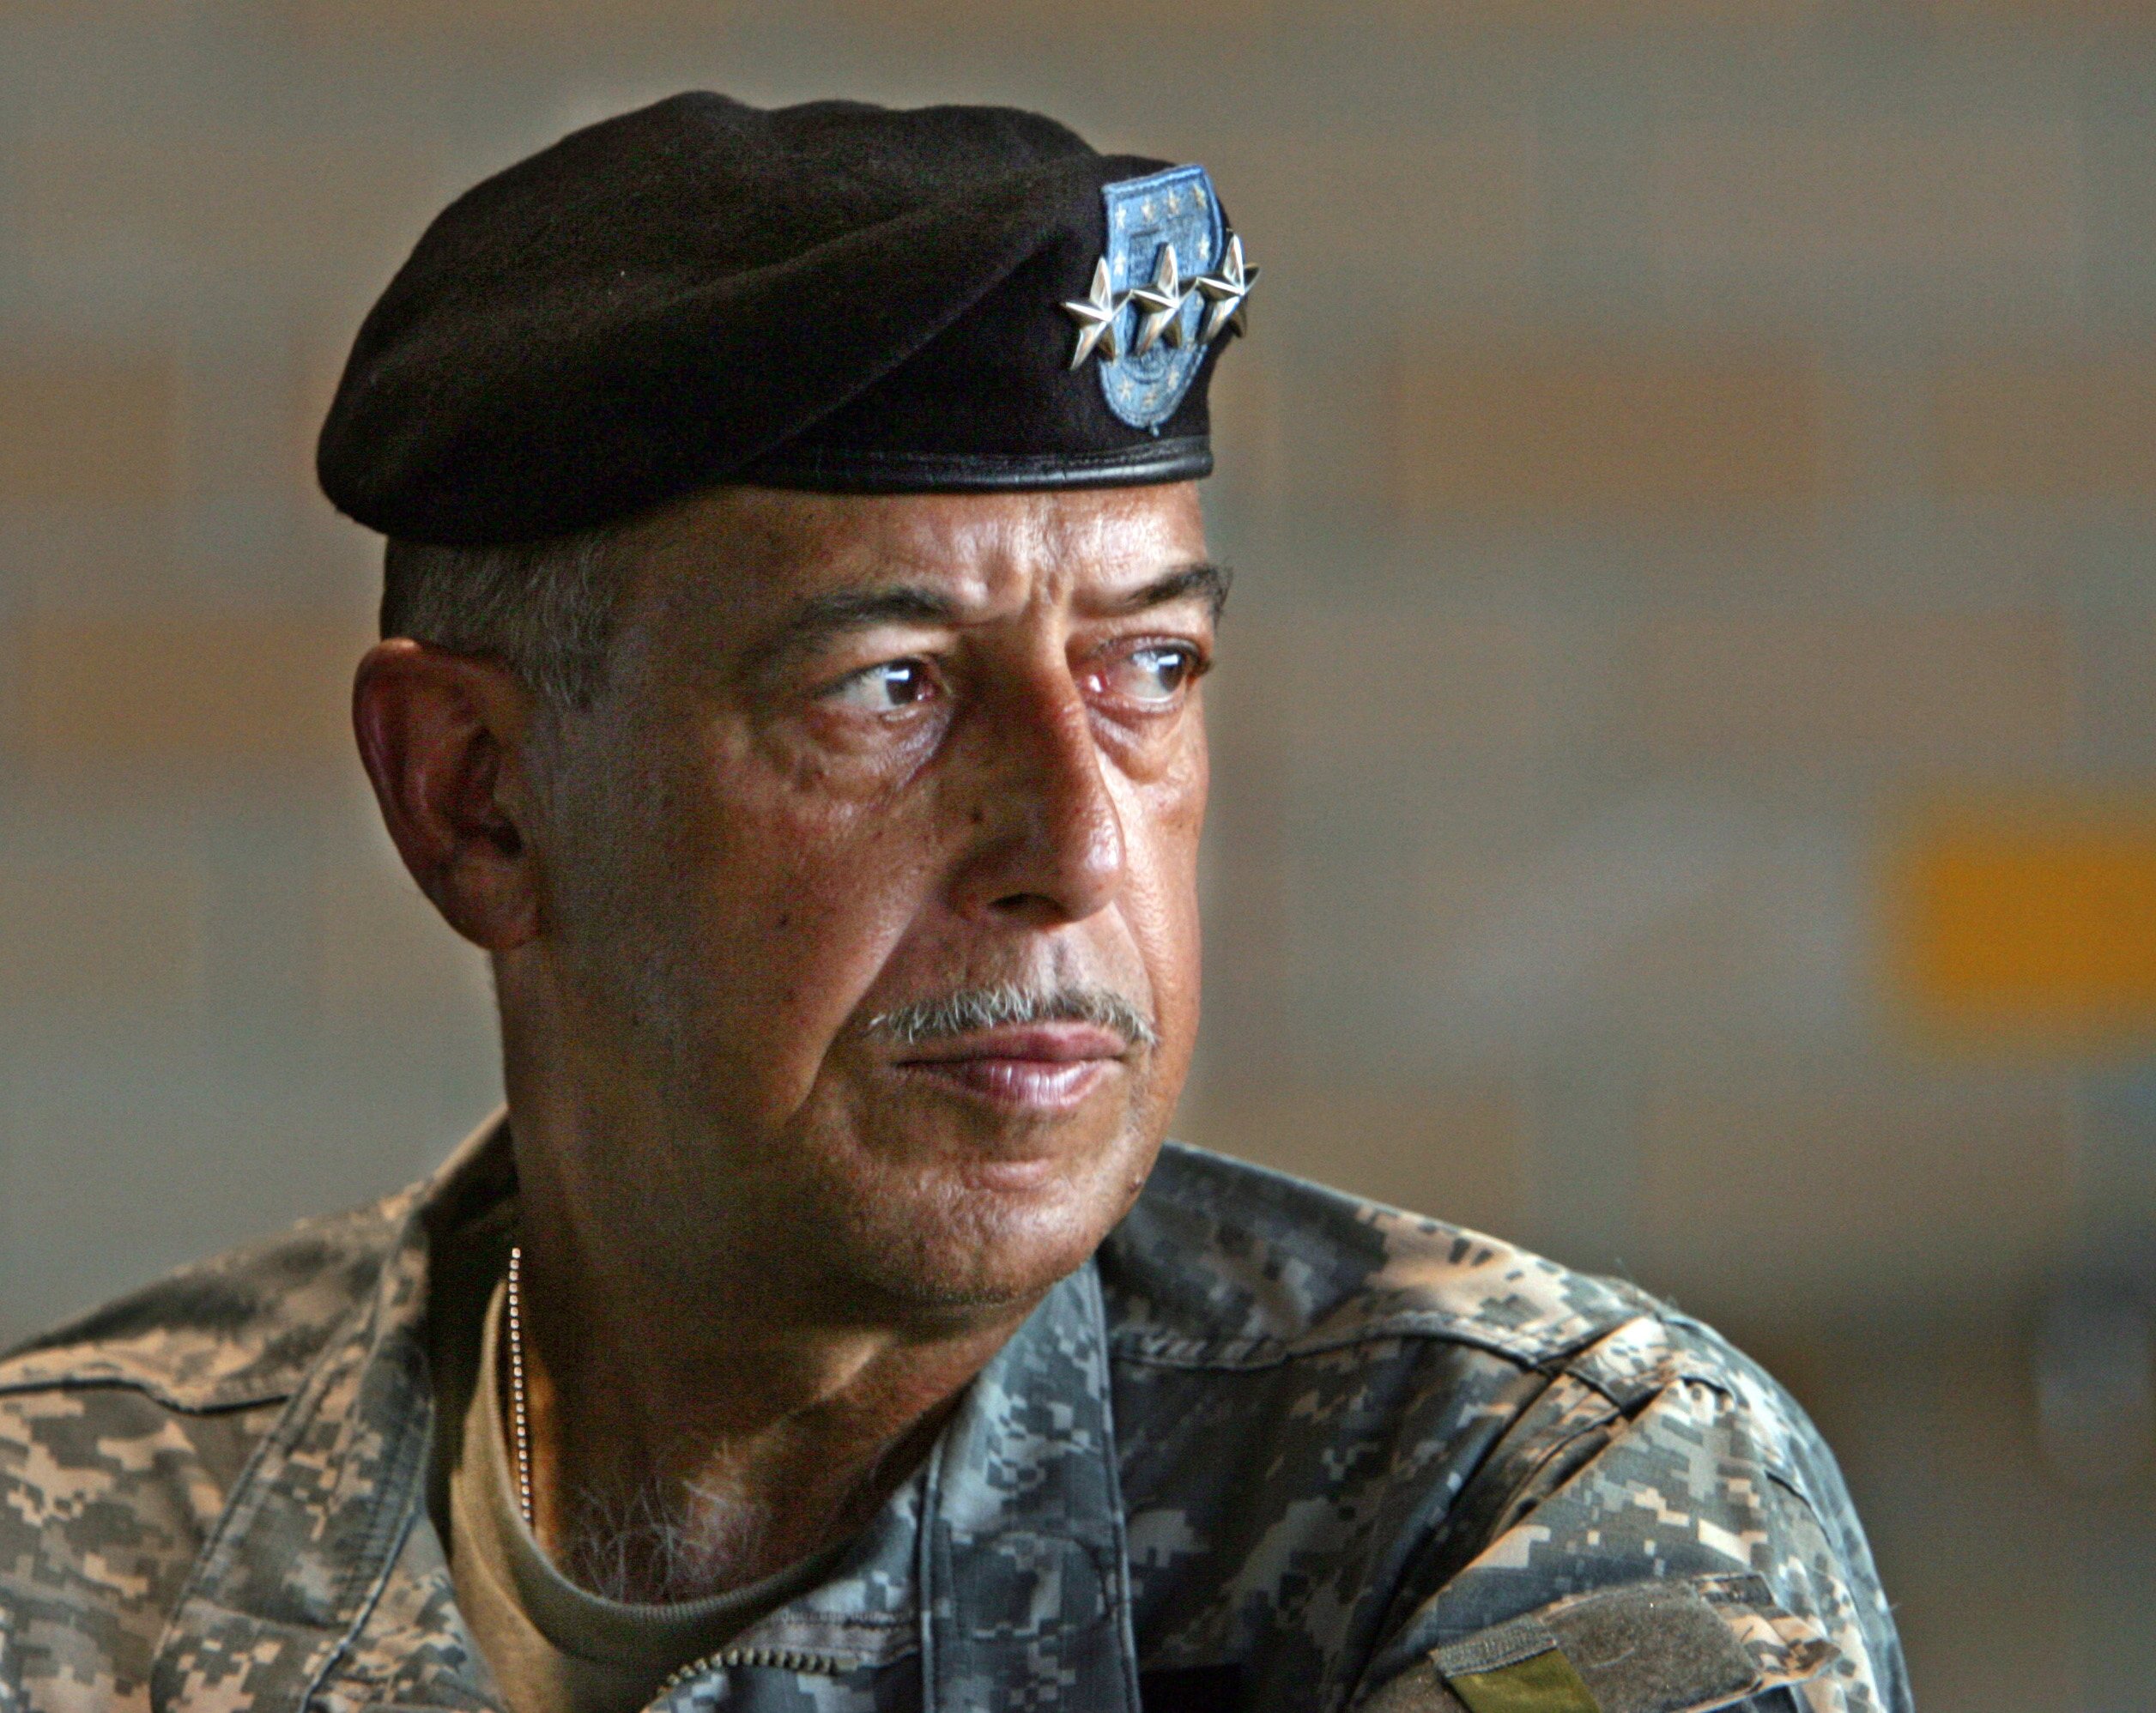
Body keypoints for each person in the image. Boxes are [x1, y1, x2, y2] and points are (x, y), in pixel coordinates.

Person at [0, 94, 1909, 1713]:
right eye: (891, 686)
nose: (1076, 845)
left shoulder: (1509, 1497)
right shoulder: (69, 1548)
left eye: (1146, 669)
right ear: (475, 798)